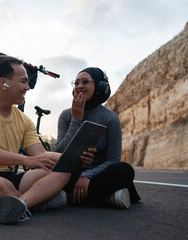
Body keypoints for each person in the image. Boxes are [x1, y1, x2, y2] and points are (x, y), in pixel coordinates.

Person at [0, 55, 95, 224]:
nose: (28, 87)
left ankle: (14, 206)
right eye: (24, 81)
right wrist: (26, 160)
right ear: (3, 83)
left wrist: (75, 159)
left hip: (9, 179)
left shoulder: (24, 120)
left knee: (61, 171)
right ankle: (33, 202)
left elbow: (41, 156)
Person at [55, 67, 140, 209]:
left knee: (125, 170)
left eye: (85, 82)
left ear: (100, 87)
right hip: (70, 174)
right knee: (45, 173)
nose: (80, 86)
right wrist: (76, 120)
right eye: (76, 83)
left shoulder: (110, 118)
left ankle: (70, 197)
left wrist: (87, 175)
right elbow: (58, 153)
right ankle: (106, 198)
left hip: (98, 174)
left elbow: (113, 160)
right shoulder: (66, 115)